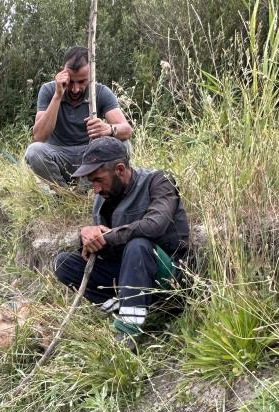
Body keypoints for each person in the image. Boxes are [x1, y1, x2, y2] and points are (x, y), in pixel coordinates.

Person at [52, 136, 190, 343]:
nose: (96, 189)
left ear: (120, 169)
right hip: (127, 276)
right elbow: (103, 245)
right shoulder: (102, 198)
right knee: (63, 263)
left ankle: (128, 332)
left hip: (167, 277)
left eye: (99, 180)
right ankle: (125, 308)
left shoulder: (159, 181)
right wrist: (87, 237)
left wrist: (107, 236)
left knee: (139, 245)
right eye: (92, 183)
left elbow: (154, 225)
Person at [24, 46, 132, 185]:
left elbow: (127, 130)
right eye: (71, 82)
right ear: (62, 72)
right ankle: (62, 194)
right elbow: (39, 136)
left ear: (91, 75)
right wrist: (57, 95)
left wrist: (109, 129)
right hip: (58, 157)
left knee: (123, 145)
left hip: (91, 157)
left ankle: (85, 190)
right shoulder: (49, 90)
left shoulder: (101, 92)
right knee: (34, 151)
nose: (75, 89)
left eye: (81, 82)